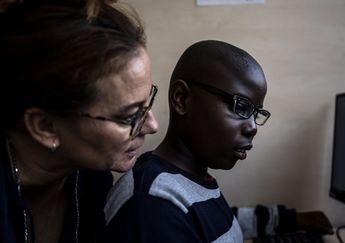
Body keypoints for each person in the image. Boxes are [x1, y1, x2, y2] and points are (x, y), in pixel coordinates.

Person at [0, 0, 158, 242]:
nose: (152, 125)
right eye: (130, 116)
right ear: (46, 126)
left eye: (148, 103)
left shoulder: (91, 177)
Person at [101, 40, 270, 243]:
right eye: (241, 107)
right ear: (182, 99)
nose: (253, 127)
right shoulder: (152, 203)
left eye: (256, 113)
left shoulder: (194, 181)